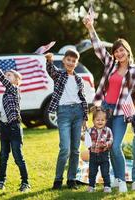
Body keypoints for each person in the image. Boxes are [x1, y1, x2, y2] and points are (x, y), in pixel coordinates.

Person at [83, 15, 135, 192]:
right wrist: (90, 28)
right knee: (107, 145)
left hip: (121, 113)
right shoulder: (110, 64)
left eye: (122, 50)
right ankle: (114, 179)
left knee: (116, 145)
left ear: (128, 50)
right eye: (116, 51)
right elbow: (98, 48)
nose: (119, 53)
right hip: (105, 110)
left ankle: (121, 179)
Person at [0, 51, 31, 192]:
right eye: (6, 74)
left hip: (14, 127)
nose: (6, 76)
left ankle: (25, 183)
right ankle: (1, 182)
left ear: (16, 80)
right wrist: (0, 129)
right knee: (3, 157)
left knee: (18, 157)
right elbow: (3, 112)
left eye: (9, 75)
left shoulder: (14, 89)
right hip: (4, 128)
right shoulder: (6, 93)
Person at [45, 49, 88, 190]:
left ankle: (71, 179)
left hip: (78, 113)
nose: (70, 63)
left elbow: (83, 99)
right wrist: (49, 60)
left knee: (75, 150)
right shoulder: (59, 75)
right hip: (63, 113)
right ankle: (58, 180)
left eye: (73, 61)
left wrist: (85, 118)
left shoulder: (78, 79)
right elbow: (50, 70)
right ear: (64, 61)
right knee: (65, 149)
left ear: (76, 63)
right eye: (68, 60)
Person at [82, 106, 113, 193]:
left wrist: (107, 144)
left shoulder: (108, 131)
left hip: (104, 155)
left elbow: (110, 140)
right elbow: (86, 139)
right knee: (92, 172)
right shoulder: (90, 131)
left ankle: (107, 186)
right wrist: (83, 136)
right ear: (93, 120)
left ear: (106, 121)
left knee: (105, 172)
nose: (100, 122)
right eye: (98, 120)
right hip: (93, 155)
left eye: (102, 120)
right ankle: (91, 186)